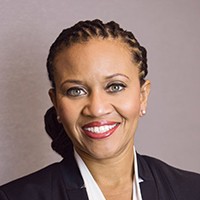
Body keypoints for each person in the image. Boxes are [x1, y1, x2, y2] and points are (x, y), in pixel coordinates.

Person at [0, 19, 200, 200]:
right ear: (56, 103)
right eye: (76, 90)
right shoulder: (14, 196)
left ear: (143, 96)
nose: (96, 109)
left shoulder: (192, 190)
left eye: (115, 86)